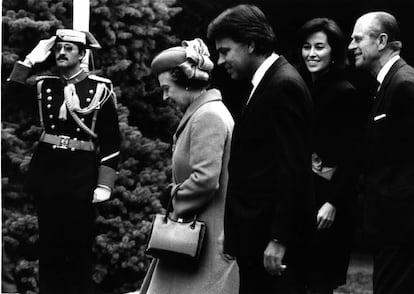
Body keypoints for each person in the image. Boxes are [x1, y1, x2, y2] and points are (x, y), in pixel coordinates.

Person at [207, 5, 315, 294]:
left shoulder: (283, 86)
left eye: (225, 51)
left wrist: (280, 238)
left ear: (251, 44)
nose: (220, 61)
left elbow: (293, 168)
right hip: (256, 239)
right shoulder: (265, 83)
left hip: (270, 244)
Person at [6, 29, 121, 294]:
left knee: (78, 251)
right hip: (47, 175)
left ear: (82, 54)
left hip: (80, 178)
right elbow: (9, 99)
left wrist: (105, 184)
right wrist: (28, 61)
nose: (62, 52)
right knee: (48, 250)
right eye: (59, 48)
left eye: (69, 48)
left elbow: (111, 140)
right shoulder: (45, 85)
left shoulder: (100, 90)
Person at [142, 38, 239, 294]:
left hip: (202, 241)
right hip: (195, 237)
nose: (165, 97)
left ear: (186, 82)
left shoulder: (207, 116)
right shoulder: (203, 113)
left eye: (167, 89)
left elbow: (206, 179)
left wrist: (174, 198)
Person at [297, 18, 368, 294]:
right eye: (306, 47)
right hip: (305, 194)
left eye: (319, 47)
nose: (311, 53)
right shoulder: (301, 85)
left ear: (334, 52)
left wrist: (333, 202)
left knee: (320, 282)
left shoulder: (344, 92)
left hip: (330, 200)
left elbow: (354, 155)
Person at [348, 11, 414, 294]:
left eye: (358, 38)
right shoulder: (388, 84)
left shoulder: (404, 85)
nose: (351, 46)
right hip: (390, 228)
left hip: (401, 229)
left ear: (382, 40)